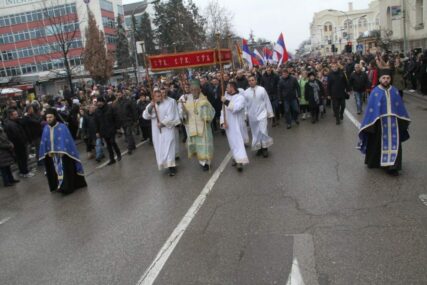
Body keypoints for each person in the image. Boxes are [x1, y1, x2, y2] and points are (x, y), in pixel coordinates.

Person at [358, 69, 410, 176]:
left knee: (394, 144)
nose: (386, 80)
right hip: (379, 123)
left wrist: (402, 121)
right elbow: (370, 110)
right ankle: (375, 162)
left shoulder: (394, 91)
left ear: (390, 79)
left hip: (394, 124)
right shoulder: (375, 92)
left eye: (388, 78)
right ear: (380, 79)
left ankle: (393, 167)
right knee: (378, 143)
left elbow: (400, 107)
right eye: (384, 78)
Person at [39, 108, 87, 193]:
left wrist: (62, 151)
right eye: (47, 117)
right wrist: (47, 151)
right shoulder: (46, 128)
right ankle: (58, 186)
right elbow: (45, 141)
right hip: (52, 156)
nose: (48, 119)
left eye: (50, 117)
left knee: (65, 171)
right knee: (55, 171)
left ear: (54, 117)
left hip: (64, 155)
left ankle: (66, 188)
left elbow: (67, 140)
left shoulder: (62, 127)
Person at [143, 89, 181, 176]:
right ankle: (165, 165)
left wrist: (163, 123)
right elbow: (145, 116)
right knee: (161, 148)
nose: (160, 97)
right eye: (157, 96)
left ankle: (172, 167)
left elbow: (171, 116)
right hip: (157, 132)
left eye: (160, 96)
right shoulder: (151, 105)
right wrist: (150, 107)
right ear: (154, 97)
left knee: (169, 146)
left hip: (167, 129)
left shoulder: (169, 104)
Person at [179, 80, 215, 171]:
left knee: (205, 145)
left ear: (199, 90)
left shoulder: (204, 100)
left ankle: (207, 162)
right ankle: (202, 163)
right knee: (198, 146)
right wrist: (183, 111)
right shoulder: (188, 100)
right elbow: (184, 116)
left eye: (196, 89)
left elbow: (212, 111)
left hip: (203, 127)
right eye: (192, 89)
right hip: (193, 128)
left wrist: (206, 114)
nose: (194, 91)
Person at [220, 81, 249, 172]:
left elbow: (236, 108)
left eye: (228, 87)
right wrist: (222, 121)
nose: (226, 89)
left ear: (232, 88)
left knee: (238, 142)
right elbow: (222, 111)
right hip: (228, 124)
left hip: (237, 124)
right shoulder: (226, 97)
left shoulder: (240, 97)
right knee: (232, 142)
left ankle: (240, 161)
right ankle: (236, 157)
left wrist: (226, 102)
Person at [244, 75, 274, 157]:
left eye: (253, 80)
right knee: (255, 132)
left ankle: (265, 148)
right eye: (249, 80)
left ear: (256, 81)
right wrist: (245, 115)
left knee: (263, 131)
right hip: (252, 116)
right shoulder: (246, 92)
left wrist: (270, 113)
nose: (251, 82)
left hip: (262, 114)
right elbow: (245, 105)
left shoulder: (262, 90)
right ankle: (259, 147)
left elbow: (267, 101)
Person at [4, 109, 34, 178]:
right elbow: (17, 135)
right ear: (11, 116)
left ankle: (23, 171)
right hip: (19, 145)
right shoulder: (12, 124)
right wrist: (23, 142)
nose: (17, 115)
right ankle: (25, 172)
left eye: (16, 114)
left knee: (21, 159)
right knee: (22, 159)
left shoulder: (14, 122)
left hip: (18, 144)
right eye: (15, 114)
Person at [94, 96, 121, 165]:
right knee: (108, 145)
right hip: (103, 130)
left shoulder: (110, 108)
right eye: (98, 102)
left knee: (113, 142)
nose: (99, 103)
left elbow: (116, 117)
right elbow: (96, 122)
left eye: (100, 102)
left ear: (103, 102)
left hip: (111, 129)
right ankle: (112, 159)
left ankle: (118, 154)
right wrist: (97, 131)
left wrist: (118, 127)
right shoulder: (97, 111)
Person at [115, 90, 137, 154]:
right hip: (122, 121)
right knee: (127, 134)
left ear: (122, 94)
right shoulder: (117, 103)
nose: (119, 96)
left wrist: (135, 120)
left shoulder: (128, 101)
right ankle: (133, 145)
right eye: (118, 95)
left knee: (128, 134)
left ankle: (129, 148)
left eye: (120, 94)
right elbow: (117, 113)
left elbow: (133, 110)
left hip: (128, 120)